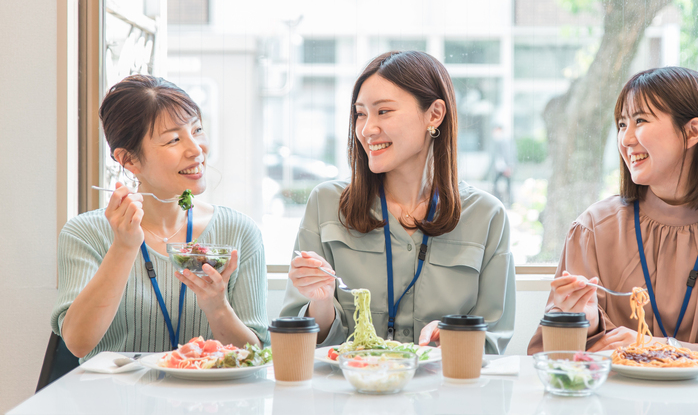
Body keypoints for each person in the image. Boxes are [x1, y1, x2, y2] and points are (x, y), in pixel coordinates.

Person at [527, 67, 698, 360]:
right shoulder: (593, 229)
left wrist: (656, 348)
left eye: (640, 120)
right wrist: (584, 324)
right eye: (621, 124)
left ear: (692, 132)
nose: (626, 139)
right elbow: (551, 358)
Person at [281, 51, 515, 353]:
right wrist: (321, 300)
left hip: (444, 396)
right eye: (361, 113)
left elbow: (493, 340)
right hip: (349, 394)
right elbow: (300, 339)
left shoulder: (487, 216)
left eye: (384, 112)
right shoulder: (326, 204)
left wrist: (454, 337)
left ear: (434, 114)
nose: (367, 130)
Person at [51, 75, 269, 361]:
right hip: (113, 402)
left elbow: (255, 354)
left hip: (206, 403)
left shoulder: (239, 232)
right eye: (174, 140)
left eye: (198, 130)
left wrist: (217, 306)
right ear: (129, 160)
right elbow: (78, 343)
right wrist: (124, 247)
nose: (196, 149)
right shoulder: (85, 233)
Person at [490, 125, 516, 206]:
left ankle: (510, 202)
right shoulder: (497, 142)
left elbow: (508, 154)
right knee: (497, 184)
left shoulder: (505, 141)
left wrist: (509, 167)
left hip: (506, 168)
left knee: (508, 186)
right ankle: (501, 201)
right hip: (500, 168)